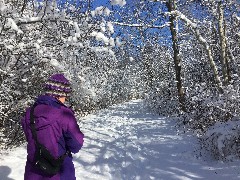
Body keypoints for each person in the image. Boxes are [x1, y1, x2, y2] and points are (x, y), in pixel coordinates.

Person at [21, 73, 84, 180]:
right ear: (59, 94)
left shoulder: (29, 113)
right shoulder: (64, 114)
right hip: (58, 171)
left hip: (33, 171)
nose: (65, 99)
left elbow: (31, 138)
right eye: (65, 95)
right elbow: (76, 145)